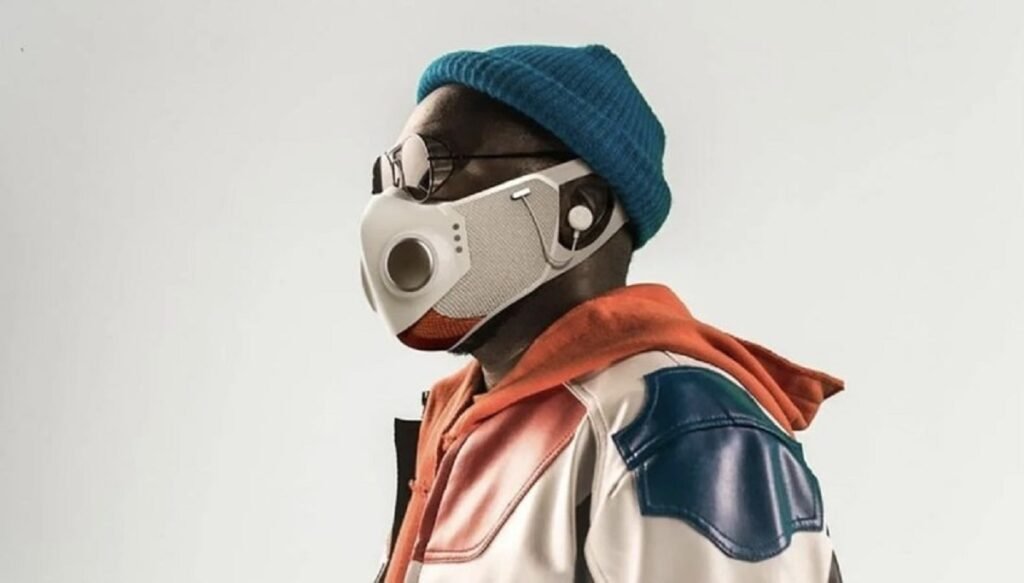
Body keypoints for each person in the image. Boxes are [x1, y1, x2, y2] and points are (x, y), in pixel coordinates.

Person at [359, 43, 844, 583]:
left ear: (580, 212)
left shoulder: (677, 427)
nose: (393, 208)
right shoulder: (460, 433)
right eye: (391, 176)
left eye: (430, 167)